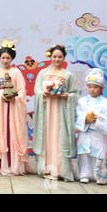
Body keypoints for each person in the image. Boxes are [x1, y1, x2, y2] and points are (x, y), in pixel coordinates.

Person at [32, 44, 78, 182]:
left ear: (64, 58)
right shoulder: (43, 73)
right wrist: (43, 93)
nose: (57, 59)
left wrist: (66, 96)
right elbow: (37, 90)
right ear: (50, 57)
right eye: (54, 56)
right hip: (46, 110)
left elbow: (74, 93)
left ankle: (61, 170)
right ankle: (46, 168)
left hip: (60, 111)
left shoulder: (68, 75)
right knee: (47, 137)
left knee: (59, 138)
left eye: (60, 57)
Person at [0, 40, 32, 176]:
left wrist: (14, 96)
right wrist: (2, 94)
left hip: (14, 108)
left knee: (14, 134)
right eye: (3, 57)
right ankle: (3, 164)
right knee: (2, 133)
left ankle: (15, 166)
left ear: (12, 58)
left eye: (8, 58)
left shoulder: (16, 73)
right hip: (1, 109)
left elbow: (22, 91)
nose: (5, 60)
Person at [75, 68, 107, 185]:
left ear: (101, 88)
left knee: (98, 154)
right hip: (85, 133)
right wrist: (85, 119)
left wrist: (98, 120)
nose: (92, 90)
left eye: (95, 87)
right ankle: (84, 174)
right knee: (84, 155)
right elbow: (76, 116)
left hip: (99, 135)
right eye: (90, 87)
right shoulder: (82, 101)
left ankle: (100, 175)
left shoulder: (106, 103)